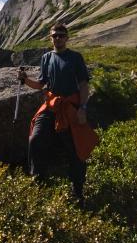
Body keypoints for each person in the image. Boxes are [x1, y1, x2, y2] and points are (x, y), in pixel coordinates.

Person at [18, 22, 99, 206]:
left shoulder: (75, 58)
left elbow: (83, 85)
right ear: (51, 38)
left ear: (67, 37)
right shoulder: (46, 58)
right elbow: (40, 84)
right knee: (35, 139)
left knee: (76, 149)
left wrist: (82, 108)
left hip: (70, 106)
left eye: (61, 35)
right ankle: (37, 181)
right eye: (55, 35)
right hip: (51, 104)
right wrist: (25, 80)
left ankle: (77, 192)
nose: (58, 38)